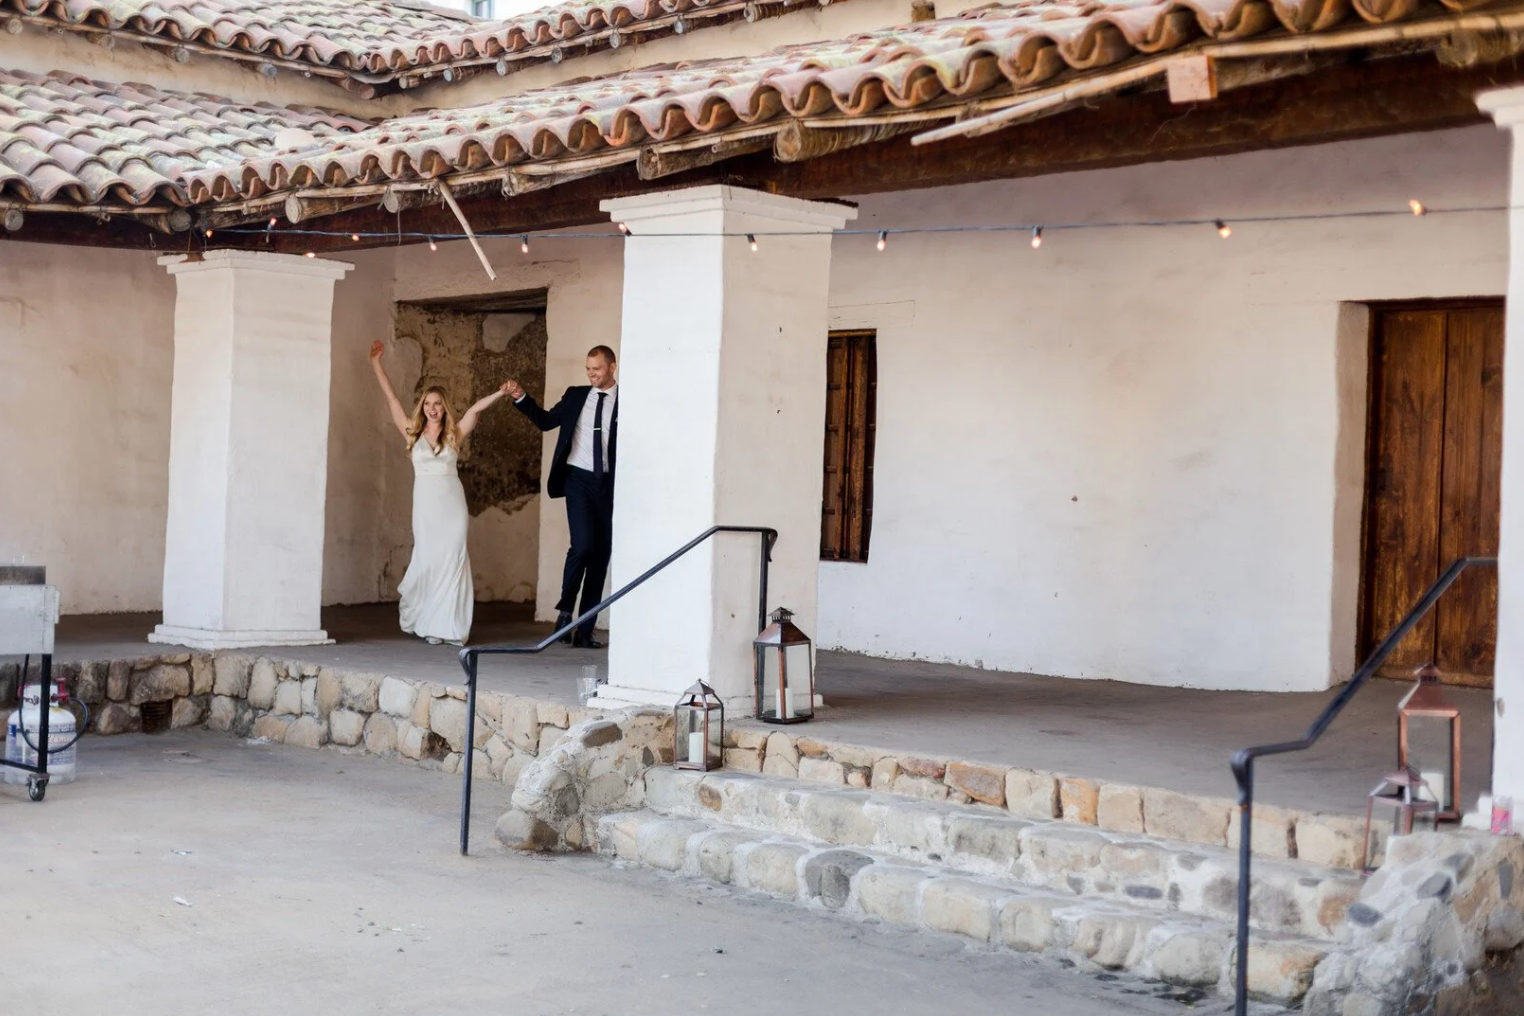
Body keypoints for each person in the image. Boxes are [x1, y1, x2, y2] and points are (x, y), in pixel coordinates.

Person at [369, 340, 512, 646]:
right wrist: (376, 363)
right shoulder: (411, 432)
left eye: (437, 404)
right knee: (430, 559)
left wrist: (501, 393)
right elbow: (392, 399)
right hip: (425, 505)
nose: (432, 409)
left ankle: (450, 627)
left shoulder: (454, 433)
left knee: (453, 558)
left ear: (444, 407)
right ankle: (429, 621)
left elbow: (474, 409)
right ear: (422, 407)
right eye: (428, 404)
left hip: (452, 503)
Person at [502, 345, 617, 649]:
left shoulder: (627, 403)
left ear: (612, 367)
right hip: (577, 480)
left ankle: (585, 629)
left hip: (608, 485)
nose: (592, 374)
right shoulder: (577, 395)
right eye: (588, 369)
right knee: (582, 546)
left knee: (600, 555)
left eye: (598, 369)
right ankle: (565, 613)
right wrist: (520, 397)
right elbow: (545, 421)